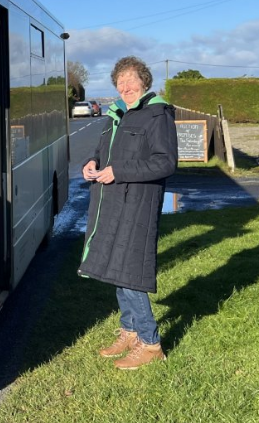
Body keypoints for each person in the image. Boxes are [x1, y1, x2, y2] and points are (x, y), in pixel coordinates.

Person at [79, 56, 178, 370]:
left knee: (130, 270)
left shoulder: (156, 115)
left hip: (137, 203)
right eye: (120, 83)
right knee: (114, 267)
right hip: (111, 201)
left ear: (144, 82)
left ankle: (150, 343)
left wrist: (118, 171)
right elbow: (103, 151)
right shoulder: (116, 114)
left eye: (131, 81)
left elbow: (165, 162)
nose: (125, 87)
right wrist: (92, 163)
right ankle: (130, 330)